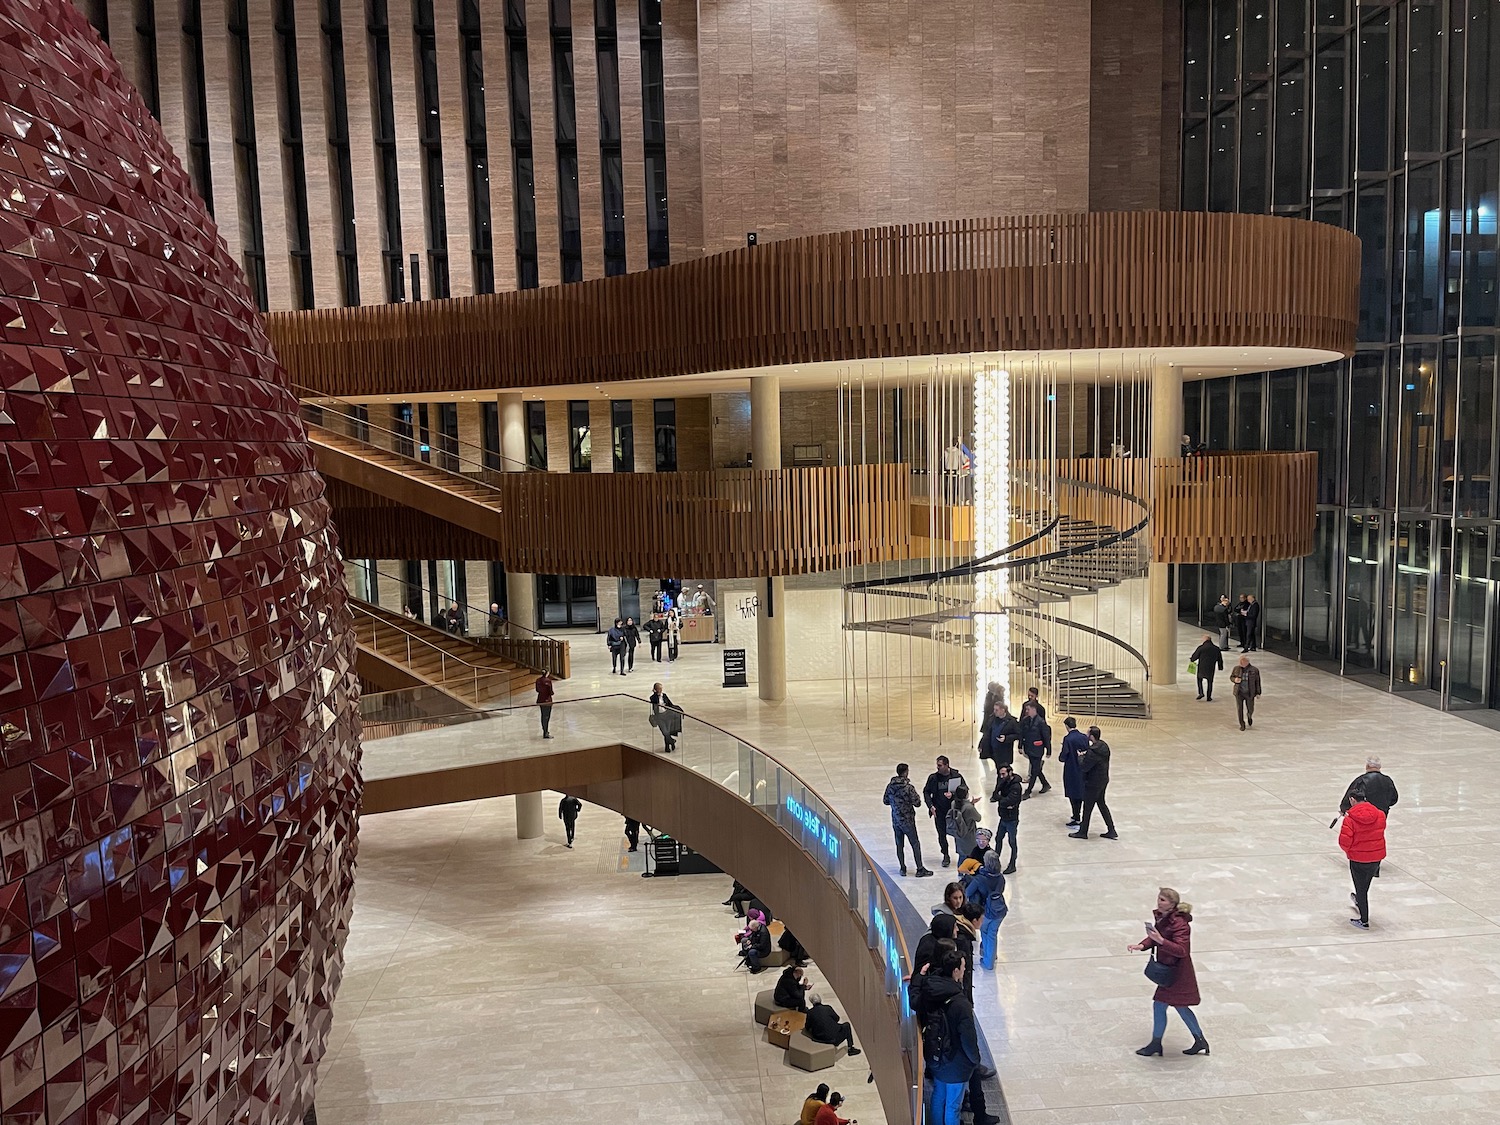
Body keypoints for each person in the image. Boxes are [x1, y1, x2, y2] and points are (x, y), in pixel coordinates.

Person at [1127, 887, 1208, 1057]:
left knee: (1161, 1004)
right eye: (1159, 898)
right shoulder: (1164, 918)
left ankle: (1156, 1044)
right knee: (1180, 1006)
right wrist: (1142, 945)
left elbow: (1181, 950)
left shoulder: (1179, 923)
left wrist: (1161, 941)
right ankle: (1199, 1040)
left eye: (1163, 900)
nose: (1158, 902)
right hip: (1171, 971)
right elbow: (1156, 936)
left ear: (1172, 904)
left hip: (1177, 973)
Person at [924, 952, 979, 1125]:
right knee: (953, 1105)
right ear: (956, 971)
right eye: (963, 967)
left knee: (939, 1095)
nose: (964, 970)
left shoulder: (933, 989)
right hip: (957, 1062)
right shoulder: (961, 1004)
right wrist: (975, 1059)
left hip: (937, 1056)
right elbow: (968, 1038)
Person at [1340, 783, 1387, 929]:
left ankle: (1364, 920)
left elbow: (1344, 841)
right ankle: (1360, 901)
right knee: (1364, 886)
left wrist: (1350, 851)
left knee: (1360, 888)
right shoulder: (1380, 814)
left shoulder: (1350, 819)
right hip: (1375, 858)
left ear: (1353, 800)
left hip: (1358, 858)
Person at [882, 763, 933, 877]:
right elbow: (918, 803)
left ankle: (902, 868)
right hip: (908, 821)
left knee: (899, 844)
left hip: (896, 820)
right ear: (905, 772)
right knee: (915, 843)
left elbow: (885, 801)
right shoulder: (908, 788)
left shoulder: (890, 786)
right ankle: (919, 868)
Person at [963, 850, 1009, 970]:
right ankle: (991, 955)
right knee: (993, 933)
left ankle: (989, 962)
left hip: (986, 912)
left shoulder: (980, 879)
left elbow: (967, 893)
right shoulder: (1001, 878)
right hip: (1000, 909)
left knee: (986, 933)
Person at [1071, 725, 1118, 840]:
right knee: (1102, 804)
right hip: (1103, 780)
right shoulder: (1103, 746)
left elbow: (1084, 767)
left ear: (1092, 736)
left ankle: (1083, 832)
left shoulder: (1093, 751)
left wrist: (1080, 757)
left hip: (1093, 783)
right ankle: (1111, 829)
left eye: (1088, 734)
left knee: (1087, 808)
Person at [922, 756, 968, 868]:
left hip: (954, 811)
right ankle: (946, 855)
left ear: (947, 765)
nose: (937, 767)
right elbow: (926, 792)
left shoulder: (956, 776)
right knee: (941, 834)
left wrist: (953, 795)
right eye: (937, 765)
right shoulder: (933, 778)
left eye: (940, 765)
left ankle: (962, 854)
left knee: (958, 833)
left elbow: (964, 790)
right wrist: (930, 806)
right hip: (939, 811)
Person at [989, 763, 1021, 873]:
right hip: (1003, 817)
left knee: (1012, 842)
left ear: (1010, 772)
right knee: (998, 839)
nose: (1001, 776)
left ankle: (1012, 864)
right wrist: (1002, 800)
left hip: (1012, 819)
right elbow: (994, 795)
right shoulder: (1003, 782)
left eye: (1003, 774)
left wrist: (1001, 799)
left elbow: (1009, 801)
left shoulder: (1016, 786)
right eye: (1000, 774)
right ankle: (995, 863)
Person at [1058, 716, 1088, 827]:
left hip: (1071, 768)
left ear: (1066, 726)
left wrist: (1061, 758)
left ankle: (1076, 816)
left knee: (1072, 792)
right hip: (1082, 768)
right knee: (1080, 791)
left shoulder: (1068, 739)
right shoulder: (1084, 737)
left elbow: (1064, 754)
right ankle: (1079, 814)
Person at [1018, 701, 1052, 798]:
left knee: (1034, 771)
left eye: (1028, 709)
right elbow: (1022, 734)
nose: (1026, 711)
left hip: (1037, 749)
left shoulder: (1041, 722)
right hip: (1029, 748)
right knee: (1036, 768)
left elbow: (1046, 737)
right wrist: (1020, 746)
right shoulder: (1025, 720)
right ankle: (1045, 784)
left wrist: (1048, 750)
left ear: (1034, 709)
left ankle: (1028, 791)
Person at [946, 784, 981, 865]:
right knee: (970, 858)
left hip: (959, 835)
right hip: (969, 837)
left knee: (961, 857)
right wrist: (972, 805)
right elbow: (978, 818)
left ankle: (960, 873)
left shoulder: (954, 803)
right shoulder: (969, 807)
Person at [978, 702, 1020, 769]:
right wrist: (981, 744)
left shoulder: (1011, 721)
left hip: (1004, 752)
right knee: (998, 769)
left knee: (1004, 770)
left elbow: (1018, 734)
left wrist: (1006, 738)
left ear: (1003, 710)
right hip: (994, 750)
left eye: (996, 710)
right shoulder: (992, 719)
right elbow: (987, 733)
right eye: (994, 709)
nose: (995, 712)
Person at [1230, 654, 1262, 731]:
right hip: (1239, 692)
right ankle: (1242, 724)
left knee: (1250, 708)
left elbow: (1257, 682)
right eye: (1240, 661)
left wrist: (1258, 692)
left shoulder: (1254, 670)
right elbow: (1231, 677)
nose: (1240, 662)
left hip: (1249, 693)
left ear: (1247, 662)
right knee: (1239, 709)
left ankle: (1249, 716)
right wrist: (1235, 680)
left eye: (1242, 661)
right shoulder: (1236, 668)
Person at [1190, 633, 1223, 702]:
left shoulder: (1201, 648)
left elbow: (1195, 656)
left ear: (1205, 640)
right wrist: (1220, 667)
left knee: (1199, 679)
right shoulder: (1216, 648)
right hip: (1211, 667)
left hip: (1202, 667)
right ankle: (1209, 696)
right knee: (1210, 682)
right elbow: (1219, 658)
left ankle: (1201, 692)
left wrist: (1192, 659)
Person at [649, 682, 680, 752]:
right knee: (665, 732)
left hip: (667, 715)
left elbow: (670, 704)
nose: (660, 690)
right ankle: (672, 741)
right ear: (655, 689)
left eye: (661, 688)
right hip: (659, 717)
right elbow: (654, 701)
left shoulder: (664, 696)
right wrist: (657, 695)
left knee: (667, 732)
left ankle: (667, 747)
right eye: (659, 689)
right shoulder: (653, 697)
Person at [535, 670, 555, 738]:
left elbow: (537, 690)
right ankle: (545, 732)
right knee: (547, 717)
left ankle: (545, 730)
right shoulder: (548, 681)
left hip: (540, 700)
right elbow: (551, 692)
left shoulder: (538, 680)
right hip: (547, 701)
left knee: (543, 715)